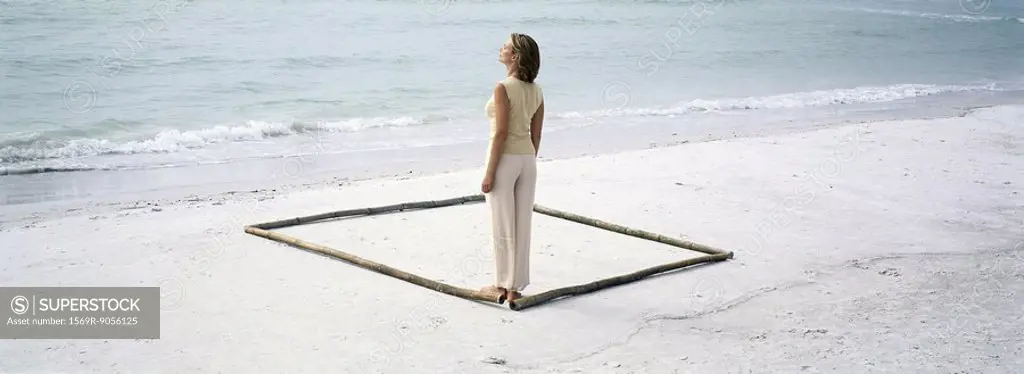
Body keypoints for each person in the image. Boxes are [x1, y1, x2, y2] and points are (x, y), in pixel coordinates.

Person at [480, 33, 545, 303]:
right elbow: (536, 134)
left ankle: (502, 284)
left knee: (502, 224)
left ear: (515, 56)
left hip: (505, 159)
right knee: (522, 223)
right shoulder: (537, 91)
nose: (501, 48)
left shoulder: (503, 87)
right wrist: (527, 159)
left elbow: (501, 133)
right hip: (528, 160)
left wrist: (489, 172)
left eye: (506, 46)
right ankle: (514, 287)